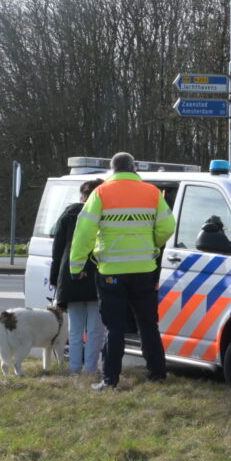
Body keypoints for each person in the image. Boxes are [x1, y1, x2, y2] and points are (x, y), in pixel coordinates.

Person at [69, 152, 176, 390]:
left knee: (114, 328)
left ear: (112, 169)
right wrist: (154, 244)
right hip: (144, 269)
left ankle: (110, 379)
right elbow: (168, 226)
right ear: (134, 168)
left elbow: (84, 232)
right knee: (148, 325)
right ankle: (157, 375)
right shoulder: (152, 192)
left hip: (112, 271)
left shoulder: (101, 193)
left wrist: (77, 265)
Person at [49, 178, 106, 374]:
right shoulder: (104, 214)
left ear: (82, 195)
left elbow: (57, 250)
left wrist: (55, 278)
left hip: (71, 276)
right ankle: (91, 369)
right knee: (95, 330)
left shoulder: (69, 213)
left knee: (74, 330)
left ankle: (74, 368)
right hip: (98, 276)